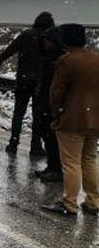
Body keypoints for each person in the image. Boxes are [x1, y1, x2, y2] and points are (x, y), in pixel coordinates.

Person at [42, 24, 99, 216]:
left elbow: (56, 92)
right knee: (90, 159)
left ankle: (70, 202)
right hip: (94, 119)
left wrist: (56, 113)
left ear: (66, 41)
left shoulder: (66, 61)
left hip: (72, 119)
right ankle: (93, 201)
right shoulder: (96, 59)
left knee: (71, 162)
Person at [0, 12, 55, 156]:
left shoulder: (26, 35)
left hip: (23, 79)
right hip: (39, 81)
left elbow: (10, 50)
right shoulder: (47, 39)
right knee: (38, 114)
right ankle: (35, 146)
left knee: (18, 112)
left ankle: (13, 143)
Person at [33, 27, 65, 183]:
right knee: (47, 136)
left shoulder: (58, 60)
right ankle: (51, 166)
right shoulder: (48, 58)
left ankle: (56, 168)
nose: (45, 43)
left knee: (52, 138)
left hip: (51, 104)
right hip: (45, 102)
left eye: (48, 40)